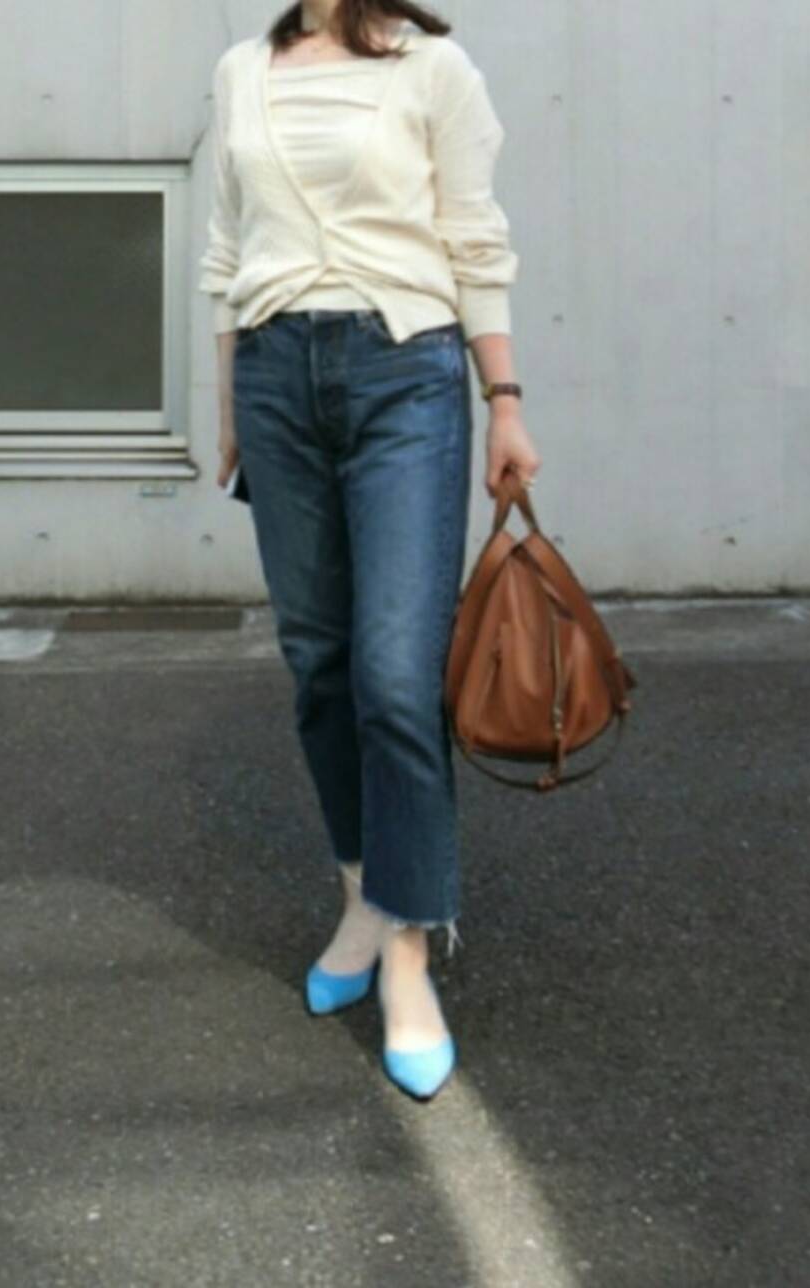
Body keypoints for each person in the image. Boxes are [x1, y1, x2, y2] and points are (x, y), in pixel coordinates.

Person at [197, 0, 539, 1101]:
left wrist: (505, 400)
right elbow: (226, 247)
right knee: (320, 663)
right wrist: (231, 407)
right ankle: (361, 892)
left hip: (407, 372)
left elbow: (474, 238)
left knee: (396, 675)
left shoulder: (433, 69)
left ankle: (407, 948)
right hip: (275, 377)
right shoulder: (242, 70)